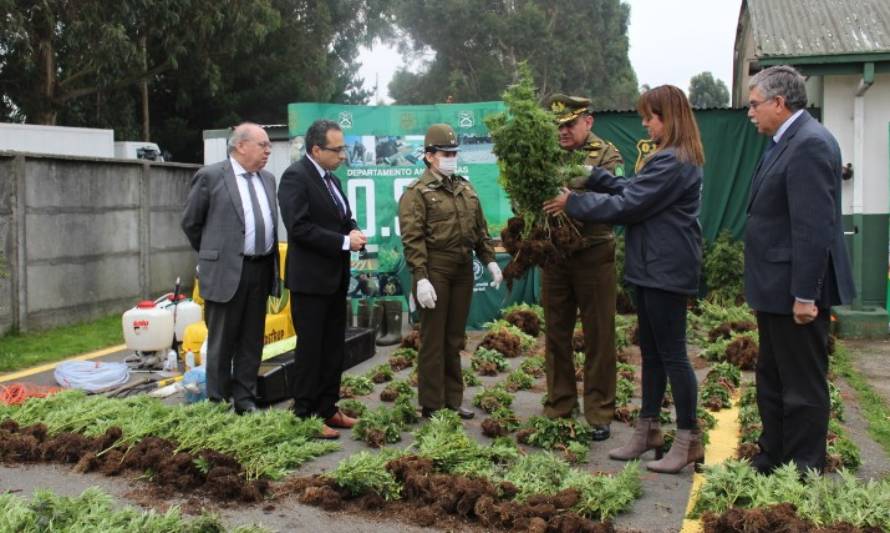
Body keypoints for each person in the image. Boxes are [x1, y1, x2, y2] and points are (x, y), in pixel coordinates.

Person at [543, 85, 705, 474]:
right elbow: (632, 188)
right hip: (651, 268)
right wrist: (594, 176)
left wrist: (574, 200)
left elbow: (630, 205)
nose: (646, 125)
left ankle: (688, 439)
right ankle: (647, 430)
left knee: (673, 357)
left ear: (670, 118)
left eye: (650, 117)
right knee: (651, 353)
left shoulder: (675, 161)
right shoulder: (667, 158)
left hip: (666, 271)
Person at [743, 65, 855, 475]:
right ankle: (773, 457)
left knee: (802, 386)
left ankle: (804, 468)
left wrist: (806, 294)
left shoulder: (810, 144)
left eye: (755, 105)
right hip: (776, 288)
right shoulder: (784, 140)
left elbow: (813, 226)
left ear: (778, 102)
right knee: (771, 378)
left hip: (796, 292)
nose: (750, 112)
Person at [399, 123, 502, 419]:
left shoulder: (465, 187)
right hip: (436, 267)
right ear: (430, 156)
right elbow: (413, 239)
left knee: (455, 337)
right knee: (434, 338)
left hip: (463, 268)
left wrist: (490, 260)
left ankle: (453, 401)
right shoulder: (416, 193)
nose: (452, 157)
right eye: (446, 152)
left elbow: (480, 230)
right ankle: (432, 404)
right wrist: (420, 278)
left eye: (455, 152)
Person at [541, 94, 625, 442]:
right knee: (556, 333)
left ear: (588, 122)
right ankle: (560, 403)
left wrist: (572, 204)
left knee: (599, 336)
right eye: (558, 125)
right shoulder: (544, 155)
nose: (562, 131)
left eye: (569, 124)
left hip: (593, 254)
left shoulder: (607, 155)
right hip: (555, 256)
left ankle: (599, 411)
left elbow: (615, 202)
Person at [181, 122, 280, 415]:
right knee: (222, 342)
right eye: (263, 145)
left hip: (260, 268)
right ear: (240, 146)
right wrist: (214, 254)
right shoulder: (211, 177)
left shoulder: (268, 179)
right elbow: (191, 223)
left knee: (252, 339)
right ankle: (218, 401)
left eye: (268, 146)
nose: (268, 151)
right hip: (225, 271)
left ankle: (245, 399)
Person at [278, 119, 367, 439]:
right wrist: (344, 242)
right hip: (310, 282)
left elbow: (343, 217)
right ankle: (305, 415)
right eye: (337, 149)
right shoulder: (295, 178)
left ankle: (328, 408)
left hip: (334, 279)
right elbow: (299, 228)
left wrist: (353, 230)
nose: (343, 155)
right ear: (316, 149)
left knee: (333, 349)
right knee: (311, 350)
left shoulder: (332, 181)